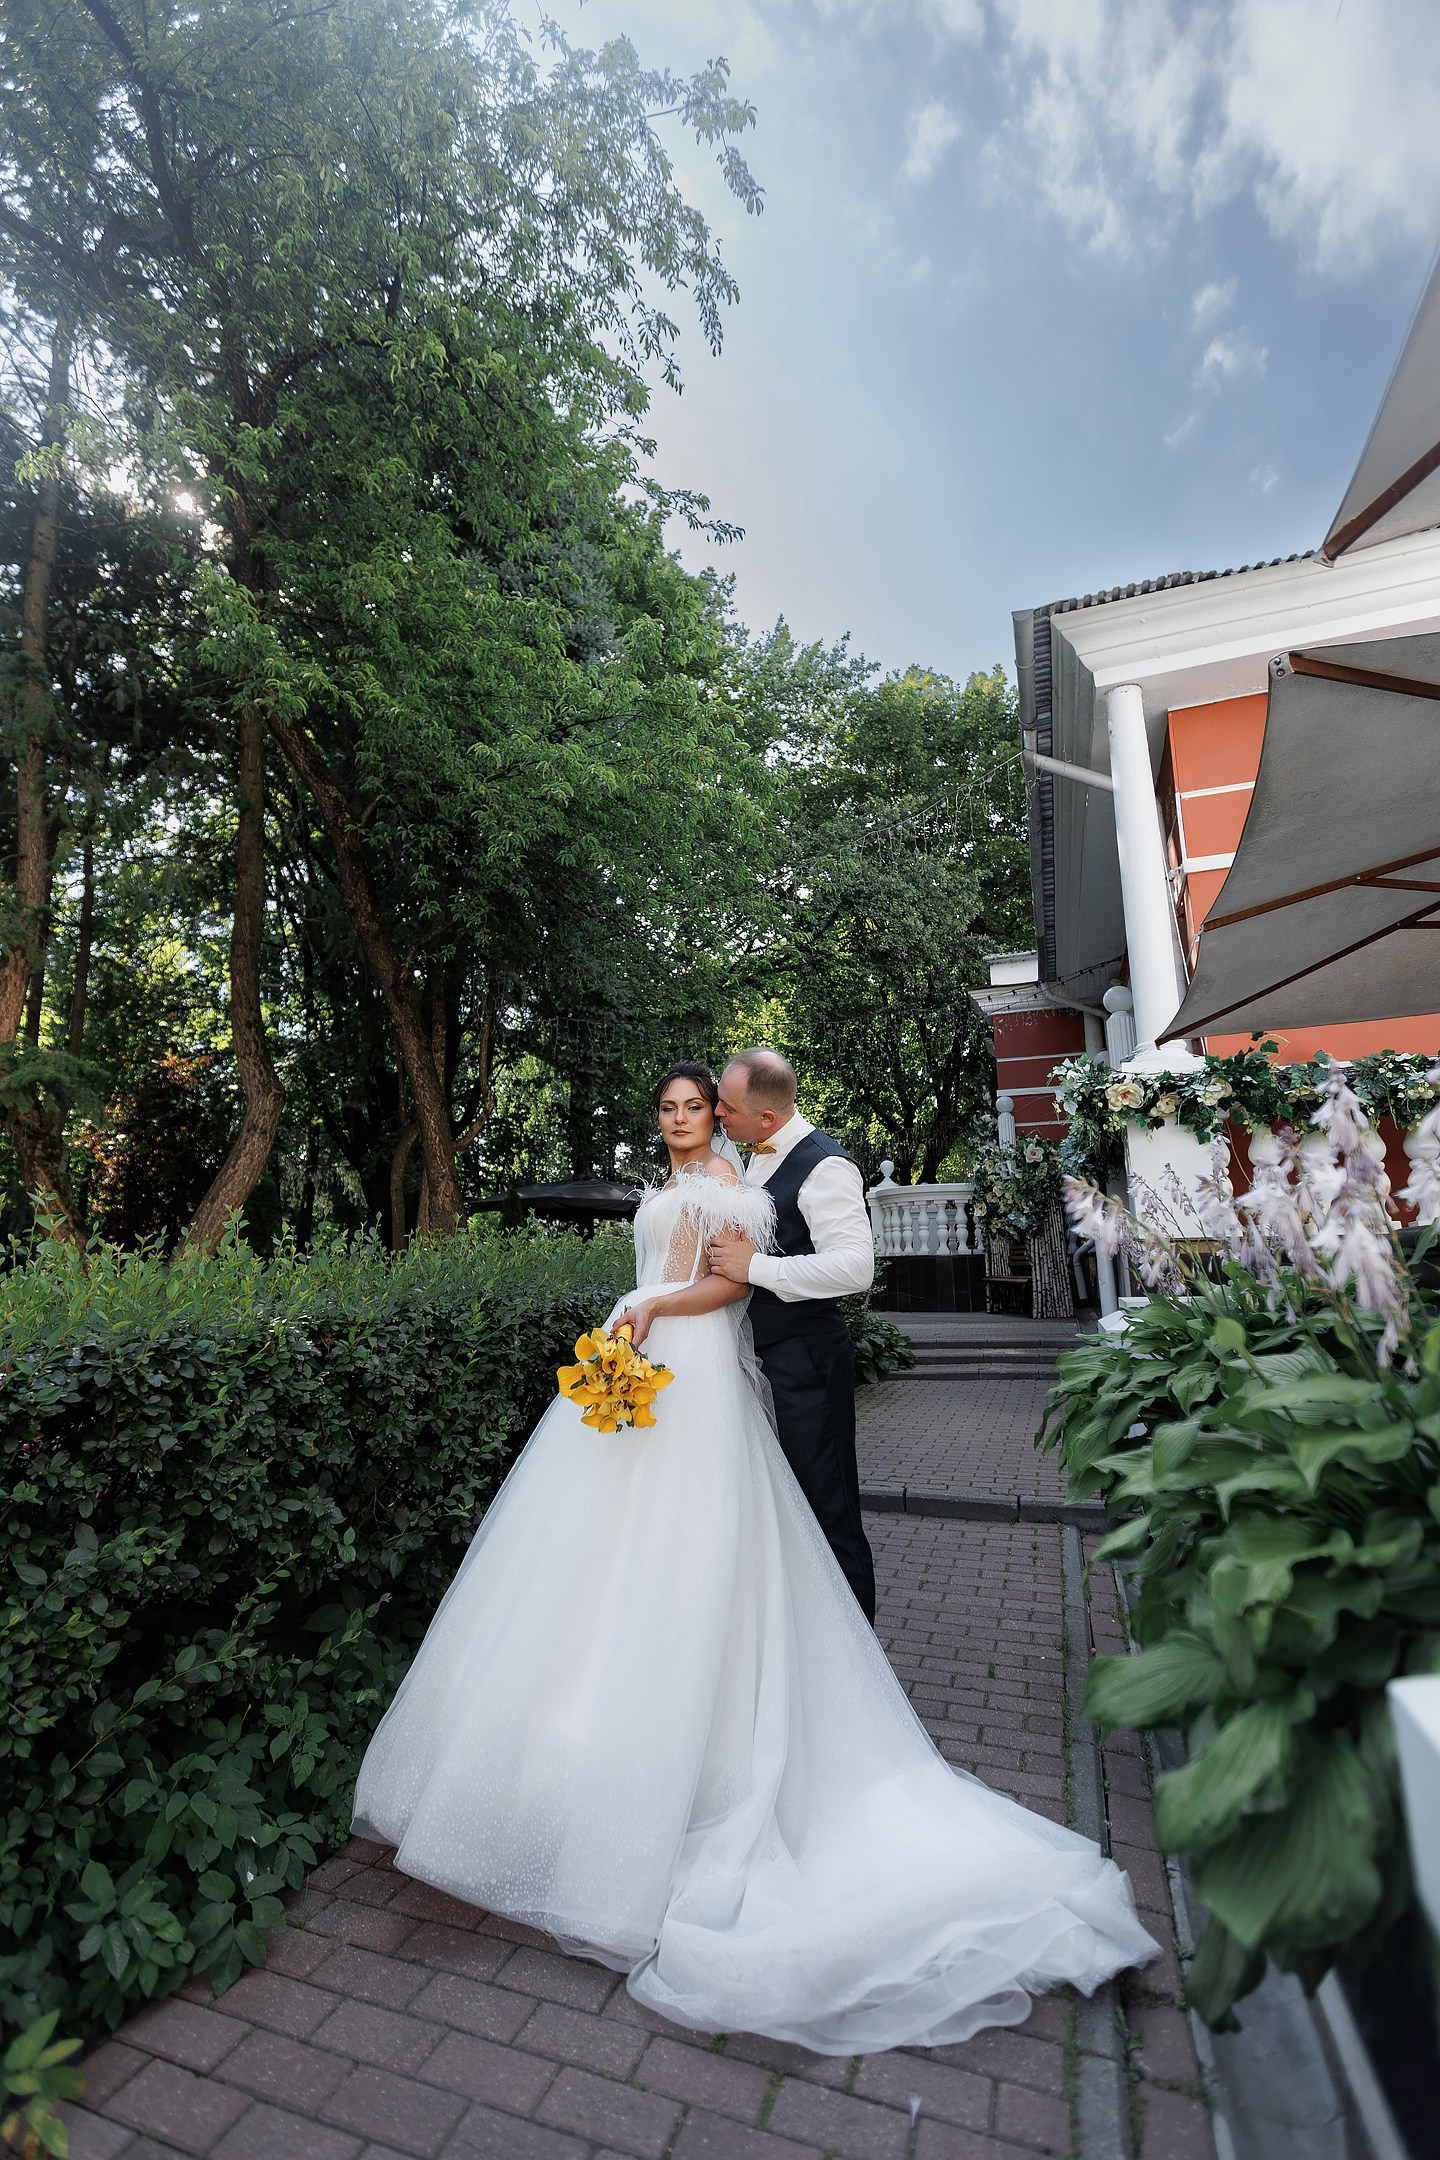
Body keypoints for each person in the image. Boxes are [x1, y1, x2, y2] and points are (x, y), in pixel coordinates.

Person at [352, 1059, 1158, 2055]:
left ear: (738, 1112)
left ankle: (796, 1694)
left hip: (695, 1366)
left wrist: (652, 1308)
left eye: (704, 1106)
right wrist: (638, 1311)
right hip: (649, 1356)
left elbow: (739, 1284)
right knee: (607, 1542)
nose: (691, 1118)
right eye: (674, 1106)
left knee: (731, 1533)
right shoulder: (698, 1177)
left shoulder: (754, 1181)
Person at [707, 1048, 877, 1620]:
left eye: (726, 1107)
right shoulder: (745, 1155)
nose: (717, 1114)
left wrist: (756, 1267)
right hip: (758, 1360)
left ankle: (858, 1649)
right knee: (781, 1510)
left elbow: (855, 1267)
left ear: (767, 1117)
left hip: (807, 1363)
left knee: (828, 1509)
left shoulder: (826, 1166)